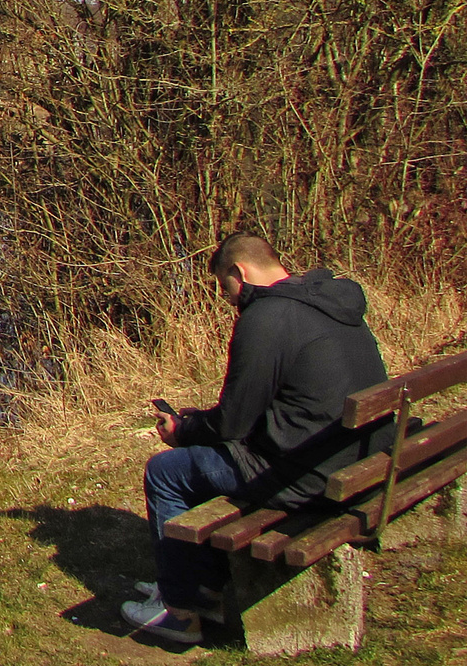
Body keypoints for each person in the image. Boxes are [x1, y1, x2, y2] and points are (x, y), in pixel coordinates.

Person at [121, 232, 390, 645]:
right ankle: (205, 587)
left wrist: (182, 431)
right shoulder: (329, 301)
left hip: (310, 476)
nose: (226, 298)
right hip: (359, 459)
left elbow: (232, 424)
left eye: (223, 286)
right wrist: (202, 426)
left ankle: (180, 610)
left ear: (238, 272)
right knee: (205, 455)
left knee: (166, 471)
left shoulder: (266, 318)